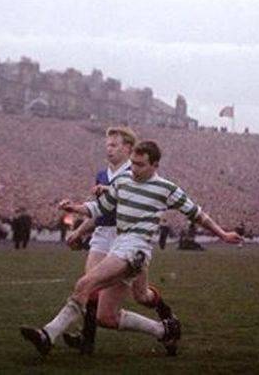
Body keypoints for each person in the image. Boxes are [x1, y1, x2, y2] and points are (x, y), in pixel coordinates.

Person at [20, 140, 242, 357]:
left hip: (136, 249)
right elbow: (100, 208)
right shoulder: (123, 180)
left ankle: (48, 335)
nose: (134, 169)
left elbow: (197, 214)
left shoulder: (166, 188)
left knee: (85, 284)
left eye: (140, 165)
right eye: (133, 163)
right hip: (121, 245)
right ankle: (163, 331)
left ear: (155, 165)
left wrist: (222, 233)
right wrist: (74, 207)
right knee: (106, 317)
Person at [63, 127, 175, 355]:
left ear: (128, 149)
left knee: (141, 295)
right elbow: (101, 212)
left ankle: (166, 316)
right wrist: (80, 231)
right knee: (90, 285)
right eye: (107, 144)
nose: (109, 149)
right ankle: (87, 339)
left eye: (114, 145)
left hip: (129, 239)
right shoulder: (102, 175)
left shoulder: (134, 174)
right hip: (104, 235)